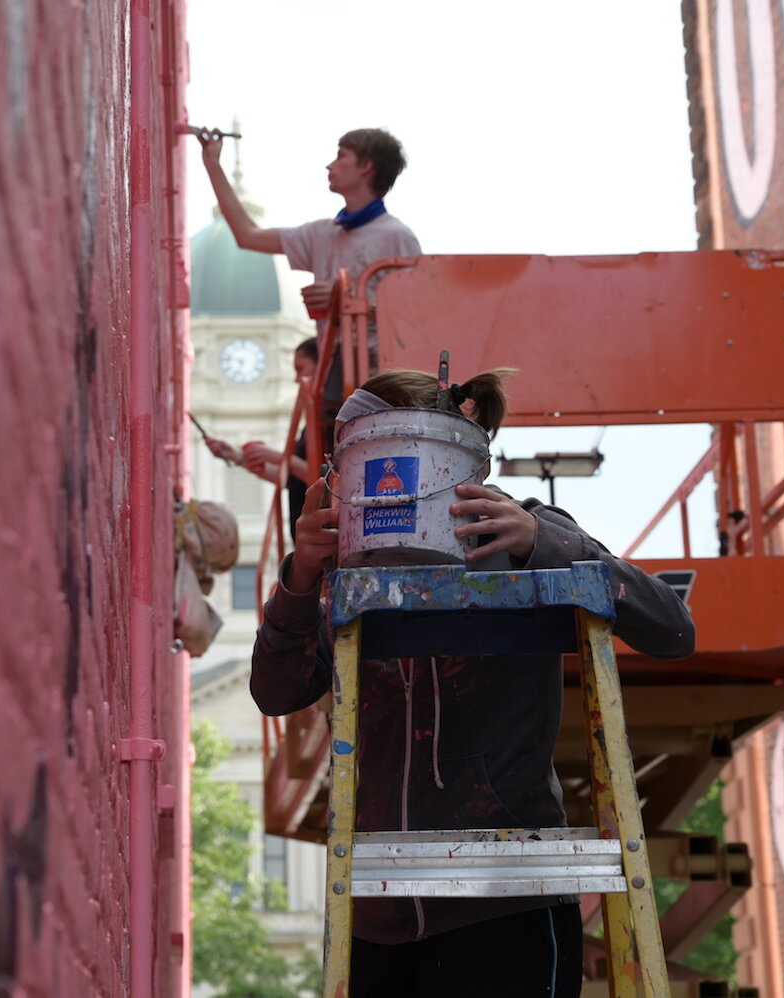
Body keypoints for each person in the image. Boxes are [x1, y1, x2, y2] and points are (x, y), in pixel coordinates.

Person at [250, 368, 696, 998]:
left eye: (368, 456)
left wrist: (543, 542)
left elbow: (673, 630)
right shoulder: (345, 575)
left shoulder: (526, 529)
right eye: (346, 461)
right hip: (379, 911)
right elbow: (274, 692)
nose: (354, 481)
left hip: (505, 898)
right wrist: (299, 579)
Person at [199, 128, 422, 450]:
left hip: (382, 371)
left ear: (366, 167)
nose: (330, 165)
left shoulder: (397, 237)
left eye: (341, 156)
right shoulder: (322, 234)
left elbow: (416, 316)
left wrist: (344, 302)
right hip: (335, 371)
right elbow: (247, 235)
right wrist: (212, 165)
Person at [203, 338, 320, 537]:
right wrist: (238, 458)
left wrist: (278, 457)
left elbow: (321, 479)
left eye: (300, 369)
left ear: (321, 367)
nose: (296, 379)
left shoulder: (326, 424)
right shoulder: (310, 427)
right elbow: (293, 479)